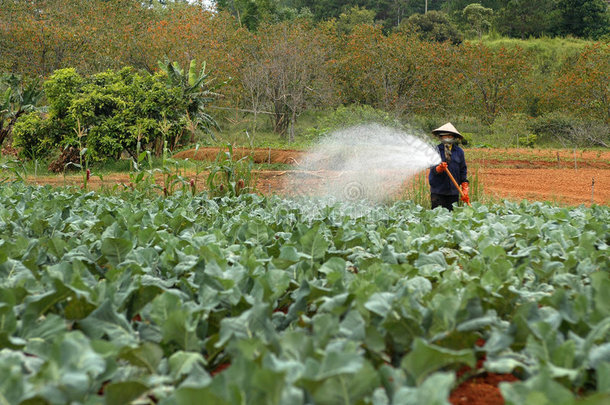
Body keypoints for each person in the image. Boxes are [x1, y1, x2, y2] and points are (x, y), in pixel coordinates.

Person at [428, 122, 470, 210]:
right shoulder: (435, 150)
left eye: (450, 136)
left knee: (452, 218)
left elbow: (463, 170)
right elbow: (432, 168)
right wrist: (439, 168)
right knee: (436, 217)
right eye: (445, 135)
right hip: (438, 190)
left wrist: (465, 188)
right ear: (440, 136)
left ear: (454, 137)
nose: (447, 138)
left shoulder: (459, 152)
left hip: (453, 191)